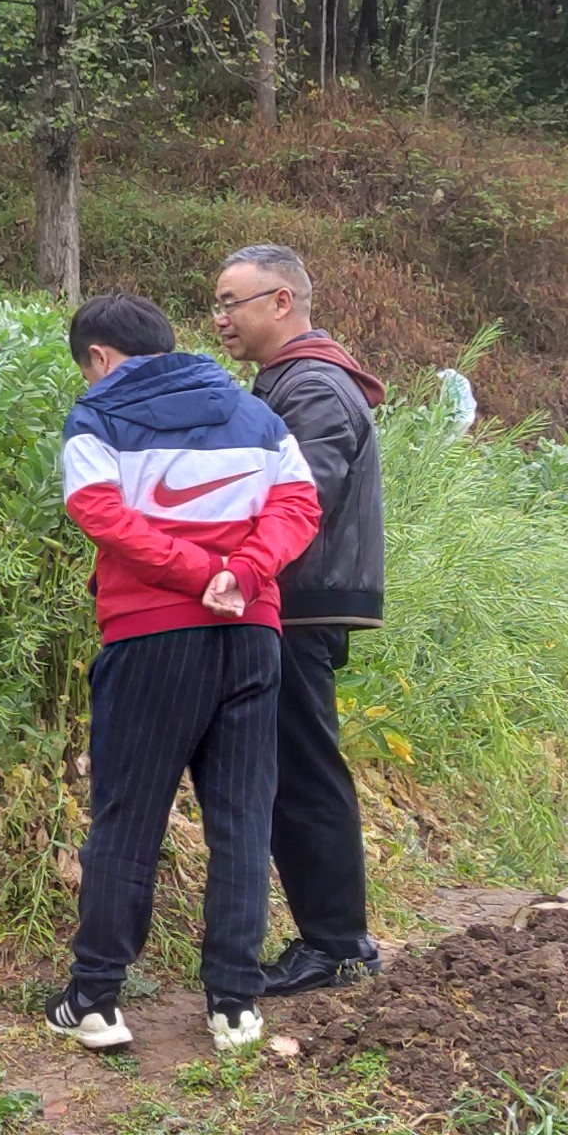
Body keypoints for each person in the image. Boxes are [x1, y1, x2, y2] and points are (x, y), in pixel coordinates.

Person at [48, 292, 319, 1055]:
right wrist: (243, 570)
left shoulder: (97, 417)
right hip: (252, 635)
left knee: (127, 817)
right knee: (240, 818)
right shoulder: (255, 416)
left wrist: (197, 575)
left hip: (151, 638)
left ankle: (95, 999)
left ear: (99, 357)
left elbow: (99, 512)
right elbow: (299, 505)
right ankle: (236, 1004)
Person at [210, 244, 386, 994]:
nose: (219, 319)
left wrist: (230, 561)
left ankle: (338, 944)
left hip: (301, 600)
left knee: (305, 772)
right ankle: (332, 937)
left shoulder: (312, 385)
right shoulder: (292, 380)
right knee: (294, 769)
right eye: (215, 305)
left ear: (281, 302)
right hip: (294, 596)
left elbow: (300, 495)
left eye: (231, 303)